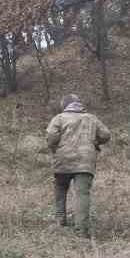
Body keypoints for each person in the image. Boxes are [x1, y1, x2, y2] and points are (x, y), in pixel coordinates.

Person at [45, 94, 112, 239]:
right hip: (85, 161)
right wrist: (95, 142)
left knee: (60, 188)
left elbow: (51, 135)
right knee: (82, 194)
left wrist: (54, 148)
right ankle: (81, 231)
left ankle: (60, 220)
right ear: (78, 104)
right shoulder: (91, 118)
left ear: (64, 105)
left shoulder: (59, 118)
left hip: (63, 160)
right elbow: (106, 135)